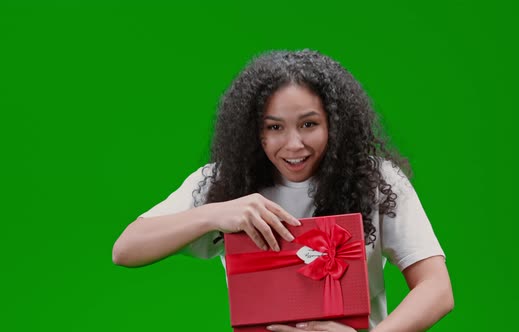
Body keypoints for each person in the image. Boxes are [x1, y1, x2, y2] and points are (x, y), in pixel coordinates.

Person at [112, 49, 454, 331]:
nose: (294, 145)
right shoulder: (226, 180)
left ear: (334, 123)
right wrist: (214, 213)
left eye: (309, 124)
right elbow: (126, 249)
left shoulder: (376, 178)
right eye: (274, 127)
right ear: (254, 131)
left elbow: (437, 289)